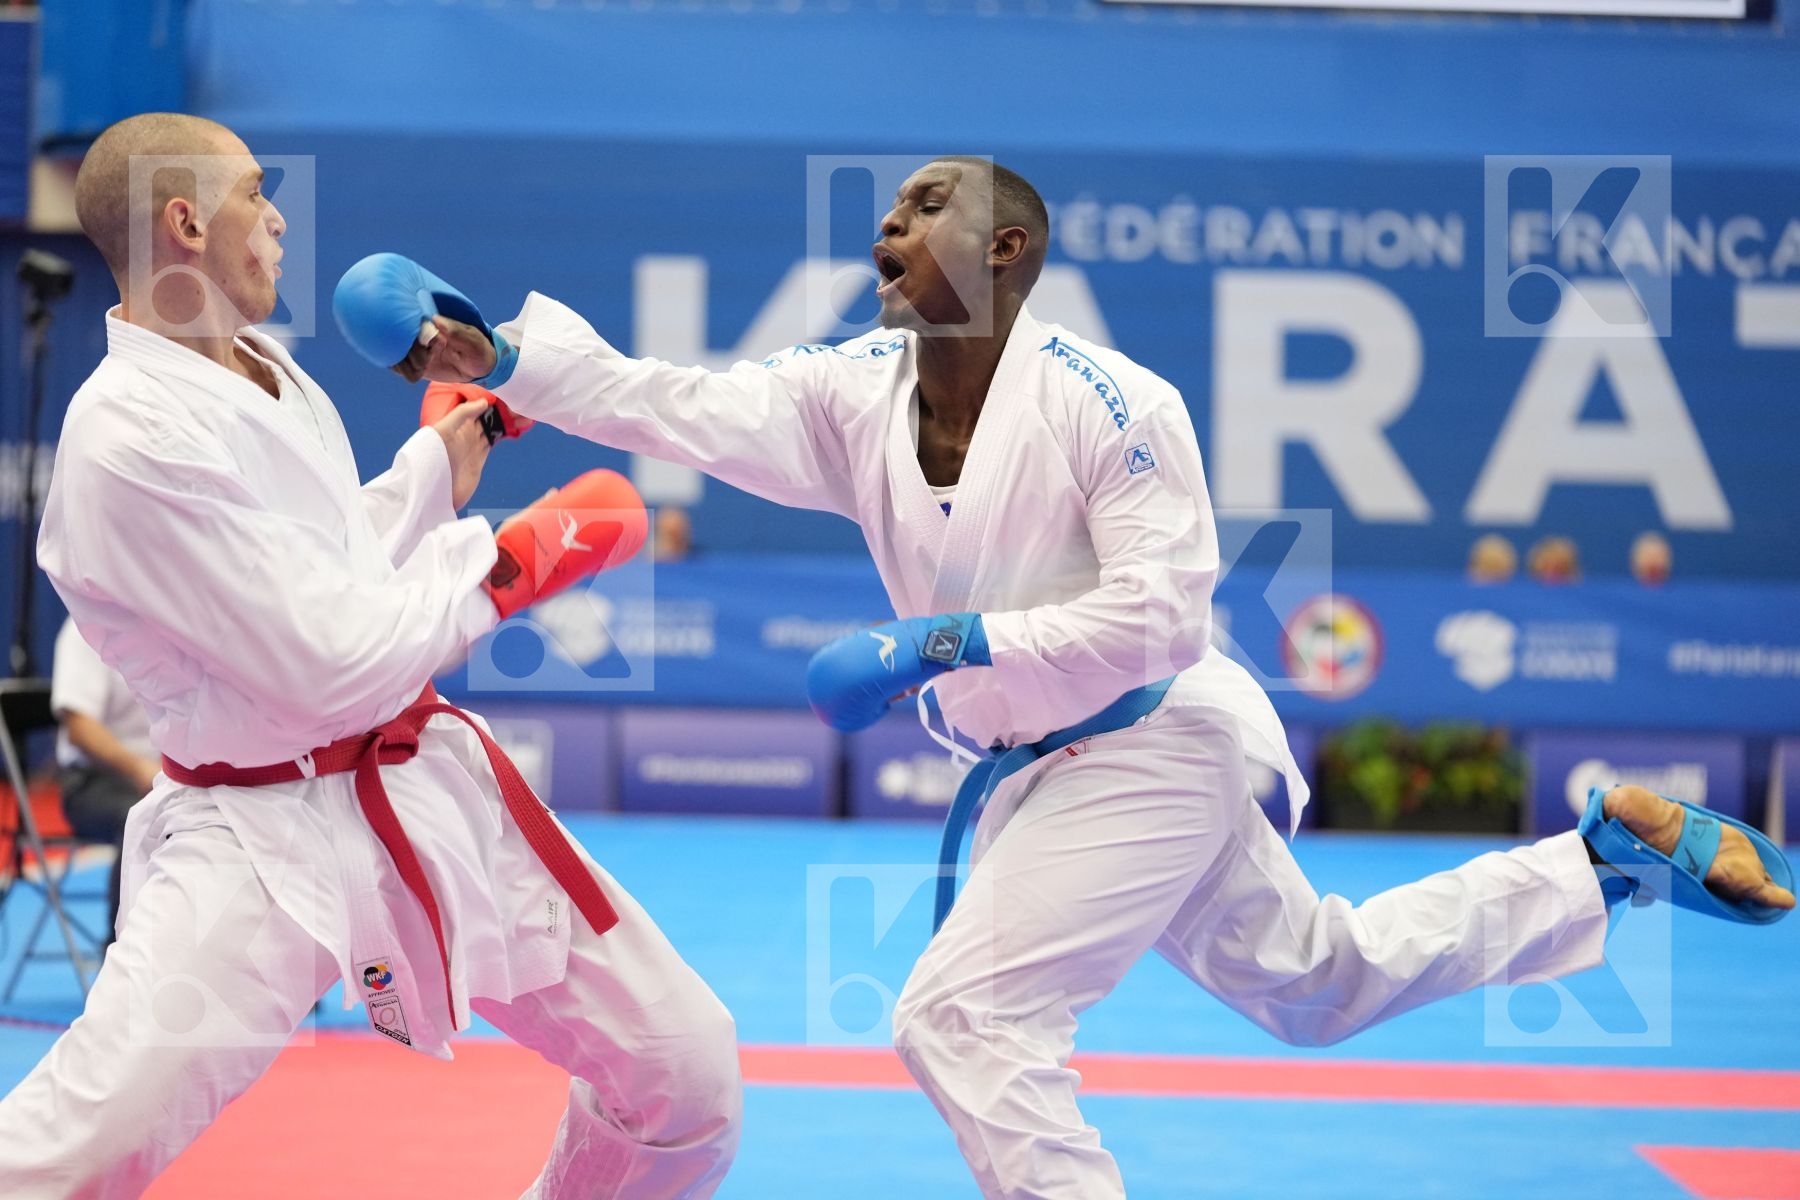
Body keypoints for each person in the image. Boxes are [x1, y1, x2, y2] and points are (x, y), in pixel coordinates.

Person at [353, 157, 1794, 1200]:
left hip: (1154, 734)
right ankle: (1602, 861)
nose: (889, 225)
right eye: (888, 209)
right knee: (1317, 981)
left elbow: (1162, 617)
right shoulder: (851, 391)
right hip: (1046, 769)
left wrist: (942, 644)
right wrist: (510, 355)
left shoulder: (1116, 402)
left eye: (927, 205)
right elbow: (677, 402)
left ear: (1010, 249)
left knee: (961, 1017)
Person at [0, 113, 740, 1198]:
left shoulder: (264, 370)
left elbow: (329, 566)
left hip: (415, 787)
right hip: (253, 842)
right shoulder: (128, 439)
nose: (278, 219)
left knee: (685, 1072)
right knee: (74, 1152)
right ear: (187, 223)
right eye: (257, 194)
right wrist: (507, 566)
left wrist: (438, 464)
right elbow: (328, 666)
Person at [50, 615, 159, 942]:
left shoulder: (169, 622)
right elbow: (79, 728)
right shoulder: (85, 627)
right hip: (93, 782)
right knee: (141, 816)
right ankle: (122, 949)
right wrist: (139, 768)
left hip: (164, 777)